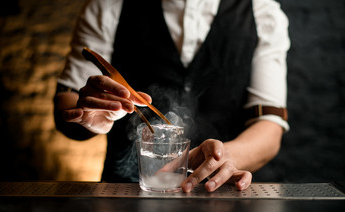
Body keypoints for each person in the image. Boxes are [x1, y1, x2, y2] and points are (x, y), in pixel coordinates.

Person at [54, 0, 290, 193]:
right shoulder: (107, 7)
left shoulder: (263, 13)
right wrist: (88, 120)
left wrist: (221, 156)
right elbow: (67, 106)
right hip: (125, 201)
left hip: (223, 198)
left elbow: (269, 129)